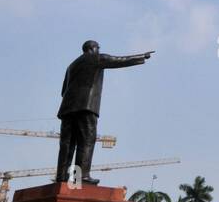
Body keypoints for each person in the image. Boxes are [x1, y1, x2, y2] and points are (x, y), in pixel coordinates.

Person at [56, 40, 153, 184]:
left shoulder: (71, 66)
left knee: (67, 144)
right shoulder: (97, 58)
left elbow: (64, 91)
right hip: (86, 106)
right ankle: (80, 177)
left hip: (67, 109)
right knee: (86, 140)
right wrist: (142, 57)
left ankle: (62, 177)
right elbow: (119, 60)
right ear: (94, 48)